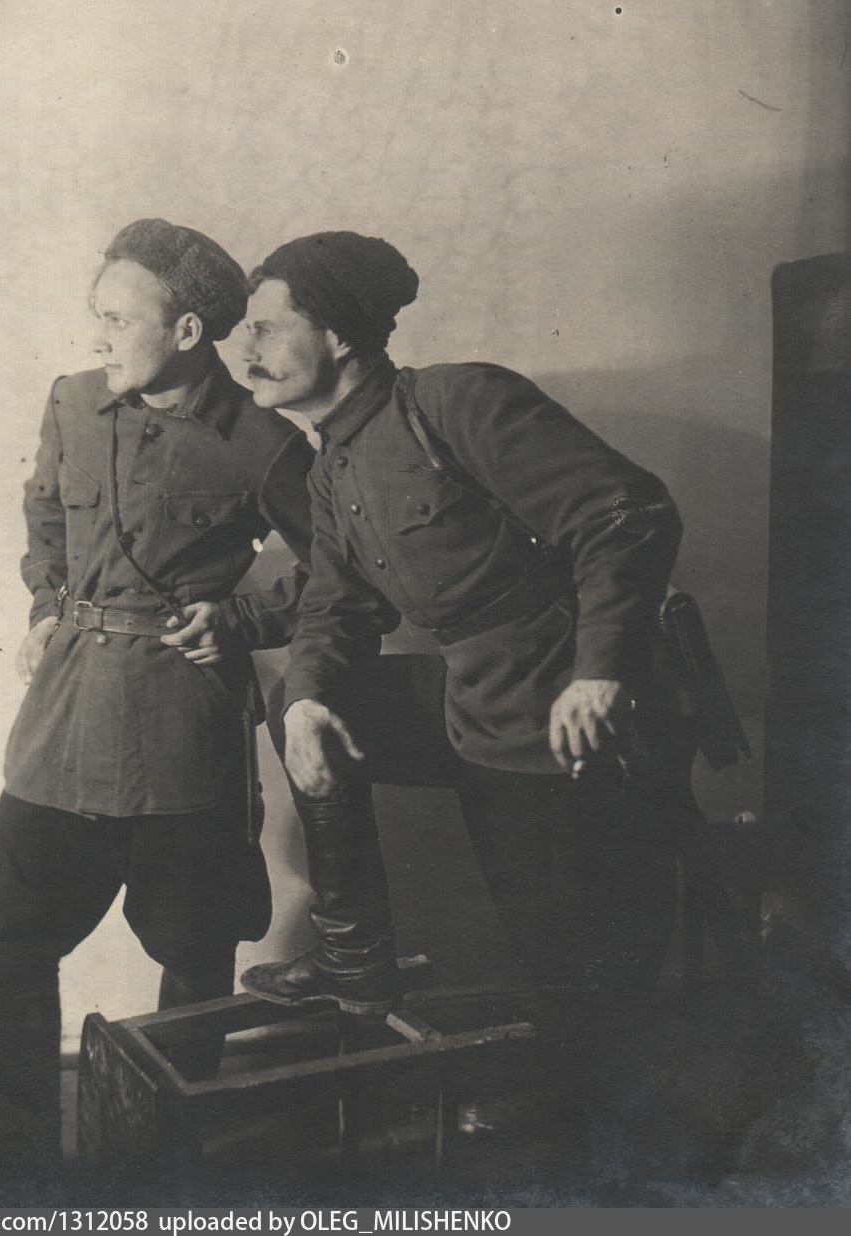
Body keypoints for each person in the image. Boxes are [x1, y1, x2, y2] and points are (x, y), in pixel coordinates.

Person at [237, 232, 697, 1043]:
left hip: (572, 716)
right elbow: (337, 608)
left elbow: (627, 512)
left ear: (336, 335)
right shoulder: (332, 467)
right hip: (479, 706)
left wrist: (601, 672)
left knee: (579, 980)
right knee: (303, 706)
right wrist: (306, 700)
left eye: (267, 329)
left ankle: (589, 1101)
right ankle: (354, 951)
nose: (247, 352)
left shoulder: (453, 402)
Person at [0, 219, 314, 1185]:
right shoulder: (73, 402)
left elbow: (346, 569)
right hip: (67, 719)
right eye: (98, 317)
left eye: (119, 319)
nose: (100, 338)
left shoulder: (263, 442)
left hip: (180, 727)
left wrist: (242, 620)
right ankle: (19, 1154)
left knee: (193, 947)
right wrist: (47, 604)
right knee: (4, 932)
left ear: (189, 330)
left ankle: (165, 1162)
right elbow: (44, 514)